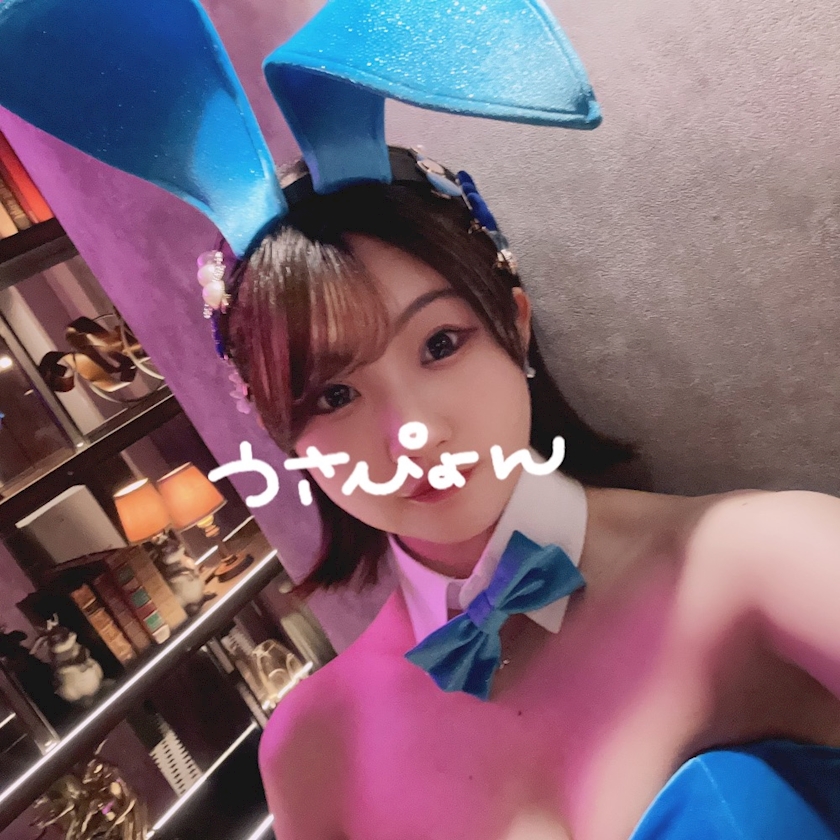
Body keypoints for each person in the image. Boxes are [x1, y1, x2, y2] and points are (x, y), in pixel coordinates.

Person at [2, 1, 840, 838]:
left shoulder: (766, 562)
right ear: (277, 429)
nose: (412, 433)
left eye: (440, 344)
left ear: (514, 323)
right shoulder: (313, 752)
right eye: (332, 396)